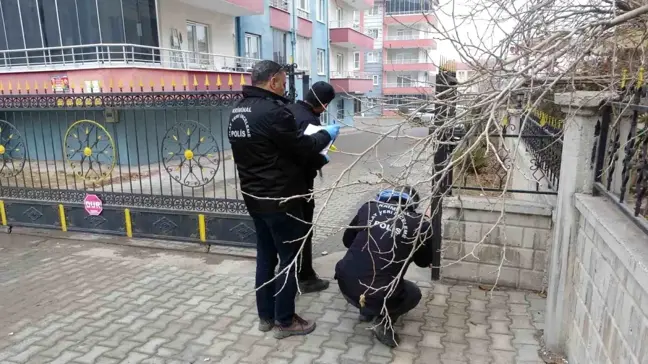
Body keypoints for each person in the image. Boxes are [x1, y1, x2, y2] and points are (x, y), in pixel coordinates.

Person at [228, 60, 341, 339]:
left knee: (266, 257)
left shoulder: (237, 111)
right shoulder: (274, 112)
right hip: (281, 199)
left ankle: (265, 316)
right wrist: (326, 135)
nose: (285, 86)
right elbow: (302, 148)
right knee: (289, 260)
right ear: (274, 81)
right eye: (283, 80)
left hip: (254, 197)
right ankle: (285, 320)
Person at [334, 186, 433, 347]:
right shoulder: (420, 224)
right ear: (413, 205)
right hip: (380, 293)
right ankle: (383, 322)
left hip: (346, 284)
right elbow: (423, 262)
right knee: (413, 293)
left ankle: (366, 310)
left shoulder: (369, 207)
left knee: (363, 270)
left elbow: (347, 241)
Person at [286, 81, 337, 294]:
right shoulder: (309, 120)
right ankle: (304, 276)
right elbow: (307, 154)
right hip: (300, 183)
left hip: (282, 184)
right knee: (304, 230)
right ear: (324, 105)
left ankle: (292, 273)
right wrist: (323, 159)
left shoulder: (289, 110)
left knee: (290, 232)